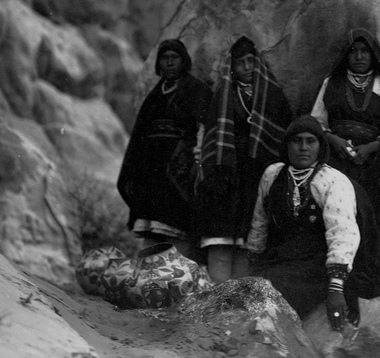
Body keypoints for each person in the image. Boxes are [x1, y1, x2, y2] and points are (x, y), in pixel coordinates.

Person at [246, 115, 380, 330]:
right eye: (297, 140)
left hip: (318, 268)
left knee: (269, 298)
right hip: (281, 260)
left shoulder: (332, 181)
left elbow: (343, 235)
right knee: (244, 291)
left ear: (320, 147)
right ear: (287, 145)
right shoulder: (272, 175)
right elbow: (260, 223)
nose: (303, 147)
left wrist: (336, 289)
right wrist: (254, 264)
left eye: (310, 141)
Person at [195, 36, 293, 283]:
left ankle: (238, 293)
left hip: (257, 171)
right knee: (222, 233)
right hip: (225, 172)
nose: (247, 67)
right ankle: (218, 290)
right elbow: (211, 135)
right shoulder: (224, 95)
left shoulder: (272, 95)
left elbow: (282, 134)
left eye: (251, 61)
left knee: (250, 234)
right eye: (241, 63)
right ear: (232, 66)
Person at [117, 39, 212, 257]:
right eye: (164, 58)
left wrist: (198, 156)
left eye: (174, 58)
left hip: (179, 170)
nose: (169, 63)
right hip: (152, 170)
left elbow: (206, 126)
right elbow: (140, 135)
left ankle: (175, 277)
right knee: (152, 227)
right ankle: (146, 277)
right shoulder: (154, 96)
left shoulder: (196, 90)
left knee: (176, 226)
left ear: (183, 61)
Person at [310, 28, 380, 236]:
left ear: (373, 55)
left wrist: (372, 147)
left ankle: (363, 266)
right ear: (347, 54)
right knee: (333, 212)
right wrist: (333, 139)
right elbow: (316, 123)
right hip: (335, 159)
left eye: (365, 51)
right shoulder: (332, 83)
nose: (359, 56)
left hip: (370, 164)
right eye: (354, 51)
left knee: (366, 216)